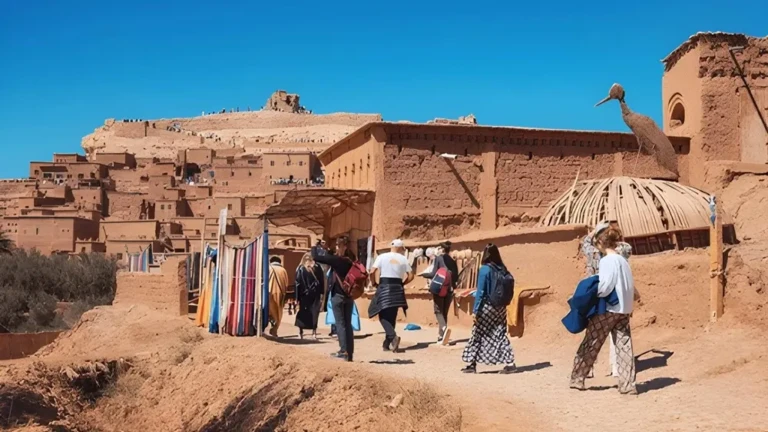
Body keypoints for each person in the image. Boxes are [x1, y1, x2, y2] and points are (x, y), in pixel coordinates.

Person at [570, 227, 637, 395]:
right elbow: (630, 286)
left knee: (592, 342)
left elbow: (606, 286)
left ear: (600, 242)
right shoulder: (623, 261)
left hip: (608, 309)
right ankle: (628, 385)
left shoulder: (607, 261)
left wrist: (593, 294)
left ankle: (578, 378)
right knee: (624, 347)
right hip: (624, 310)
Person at [581, 220, 634, 378]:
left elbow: (586, 241)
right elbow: (626, 248)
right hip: (616, 296)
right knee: (617, 334)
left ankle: (587, 369)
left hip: (596, 292)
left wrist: (596, 230)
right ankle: (617, 367)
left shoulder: (591, 249)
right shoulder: (620, 250)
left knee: (593, 334)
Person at [461, 244, 516, 374]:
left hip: (487, 307)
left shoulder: (485, 269)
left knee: (477, 333)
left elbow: (480, 292)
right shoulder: (502, 269)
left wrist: (475, 310)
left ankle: (471, 364)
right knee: (500, 333)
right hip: (501, 307)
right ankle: (510, 363)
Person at [313, 236, 356, 362]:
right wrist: (327, 250)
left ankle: (343, 351)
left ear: (342, 246)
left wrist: (315, 246)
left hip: (338, 296)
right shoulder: (351, 260)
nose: (336, 247)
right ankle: (350, 353)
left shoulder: (337, 260)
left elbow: (316, 257)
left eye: (338, 245)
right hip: (349, 296)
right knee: (348, 324)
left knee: (340, 324)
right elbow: (330, 256)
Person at [369, 239, 413, 352]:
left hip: (384, 286)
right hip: (397, 288)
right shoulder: (403, 259)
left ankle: (393, 337)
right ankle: (386, 344)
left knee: (382, 315)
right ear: (399, 248)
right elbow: (411, 275)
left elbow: (372, 272)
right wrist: (402, 283)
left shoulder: (382, 257)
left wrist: (374, 283)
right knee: (392, 316)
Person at [421, 241, 459, 342]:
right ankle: (441, 336)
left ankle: (444, 328)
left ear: (442, 249)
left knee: (438, 311)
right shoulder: (452, 260)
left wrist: (423, 274)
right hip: (450, 289)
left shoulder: (439, 258)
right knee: (444, 312)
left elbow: (434, 273)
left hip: (439, 288)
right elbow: (456, 276)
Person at [295, 252, 325, 339]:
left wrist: (297, 297)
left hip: (304, 295)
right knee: (314, 313)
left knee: (303, 313)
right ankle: (314, 332)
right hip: (315, 294)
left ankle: (301, 332)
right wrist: (321, 294)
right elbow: (322, 281)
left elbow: (297, 283)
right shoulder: (317, 267)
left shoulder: (300, 268)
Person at [267, 256, 289, 337]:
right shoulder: (283, 270)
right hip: (281, 294)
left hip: (270, 293)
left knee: (269, 311)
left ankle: (268, 328)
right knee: (278, 312)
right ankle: (274, 329)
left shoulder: (269, 268)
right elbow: (286, 284)